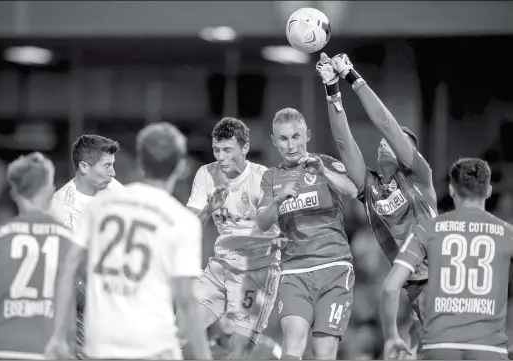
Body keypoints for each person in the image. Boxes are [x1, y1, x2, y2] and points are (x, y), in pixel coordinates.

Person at [44, 123, 212, 360]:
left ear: (140, 163)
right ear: (181, 166)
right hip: (150, 342)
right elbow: (186, 298)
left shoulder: (100, 206)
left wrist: (58, 336)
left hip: (100, 340)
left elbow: (68, 270)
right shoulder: (181, 221)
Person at [315, 52, 438, 346]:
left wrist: (351, 77)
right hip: (413, 286)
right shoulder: (369, 187)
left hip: (442, 275)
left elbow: (386, 123)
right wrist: (332, 90)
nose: (387, 141)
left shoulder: (419, 175)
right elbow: (344, 144)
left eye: (401, 141)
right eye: (384, 141)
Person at [380, 158, 513, 360]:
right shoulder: (507, 233)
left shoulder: (428, 229)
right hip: (489, 348)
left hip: (439, 347)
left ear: (451, 190)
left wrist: (391, 336)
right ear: (488, 190)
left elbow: (390, 287)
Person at [257, 108, 358, 359]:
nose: (291, 145)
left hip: (334, 268)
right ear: (274, 140)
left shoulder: (326, 163)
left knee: (324, 352)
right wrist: (278, 200)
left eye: (296, 136)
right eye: (283, 138)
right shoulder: (270, 177)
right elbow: (262, 221)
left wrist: (324, 172)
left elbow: (353, 190)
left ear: (307, 135)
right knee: (292, 343)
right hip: (293, 272)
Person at [177, 117, 281, 358]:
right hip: (220, 267)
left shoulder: (262, 178)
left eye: (227, 150)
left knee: (237, 351)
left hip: (255, 271)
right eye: (216, 150)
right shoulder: (206, 174)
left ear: (244, 148)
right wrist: (208, 209)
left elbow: (270, 224)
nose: (220, 157)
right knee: (178, 333)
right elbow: (186, 228)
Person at [0, 152, 74, 359]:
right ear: (51, 191)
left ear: (14, 193)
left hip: (0, 348)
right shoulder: (69, 239)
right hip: (49, 349)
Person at [50, 134, 123, 357]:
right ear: (84, 167)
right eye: (107, 166)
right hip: (82, 297)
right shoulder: (61, 207)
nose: (113, 173)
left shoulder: (115, 189)